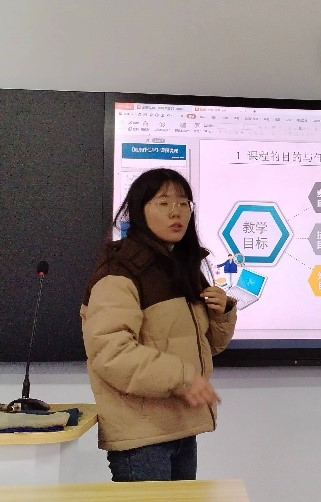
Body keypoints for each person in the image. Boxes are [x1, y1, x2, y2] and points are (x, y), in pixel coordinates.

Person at [80, 168, 237, 482]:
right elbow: (111, 353)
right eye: (163, 203)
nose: (176, 212)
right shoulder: (121, 269)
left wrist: (223, 312)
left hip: (181, 429)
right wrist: (183, 378)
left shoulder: (182, 267)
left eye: (183, 203)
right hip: (142, 438)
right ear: (139, 211)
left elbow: (208, 347)